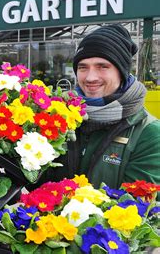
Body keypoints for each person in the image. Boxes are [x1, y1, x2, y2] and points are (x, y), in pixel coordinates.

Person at [48, 24, 160, 189]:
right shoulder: (60, 117)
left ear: (121, 72)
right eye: (83, 67)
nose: (90, 77)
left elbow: (136, 206)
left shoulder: (150, 135)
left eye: (103, 66)